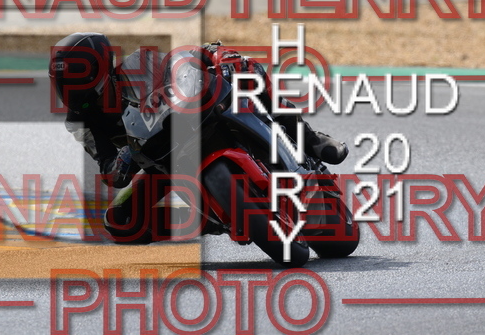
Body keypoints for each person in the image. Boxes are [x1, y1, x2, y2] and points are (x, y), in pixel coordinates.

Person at [49, 32, 348, 242]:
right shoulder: (79, 123)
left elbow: (181, 67)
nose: (71, 91)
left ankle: (310, 139)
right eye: (64, 83)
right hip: (159, 160)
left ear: (101, 69)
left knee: (241, 67)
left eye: (77, 79)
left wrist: (207, 59)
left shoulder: (139, 65)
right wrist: (122, 160)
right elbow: (109, 170)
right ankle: (212, 220)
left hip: (196, 116)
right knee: (120, 221)